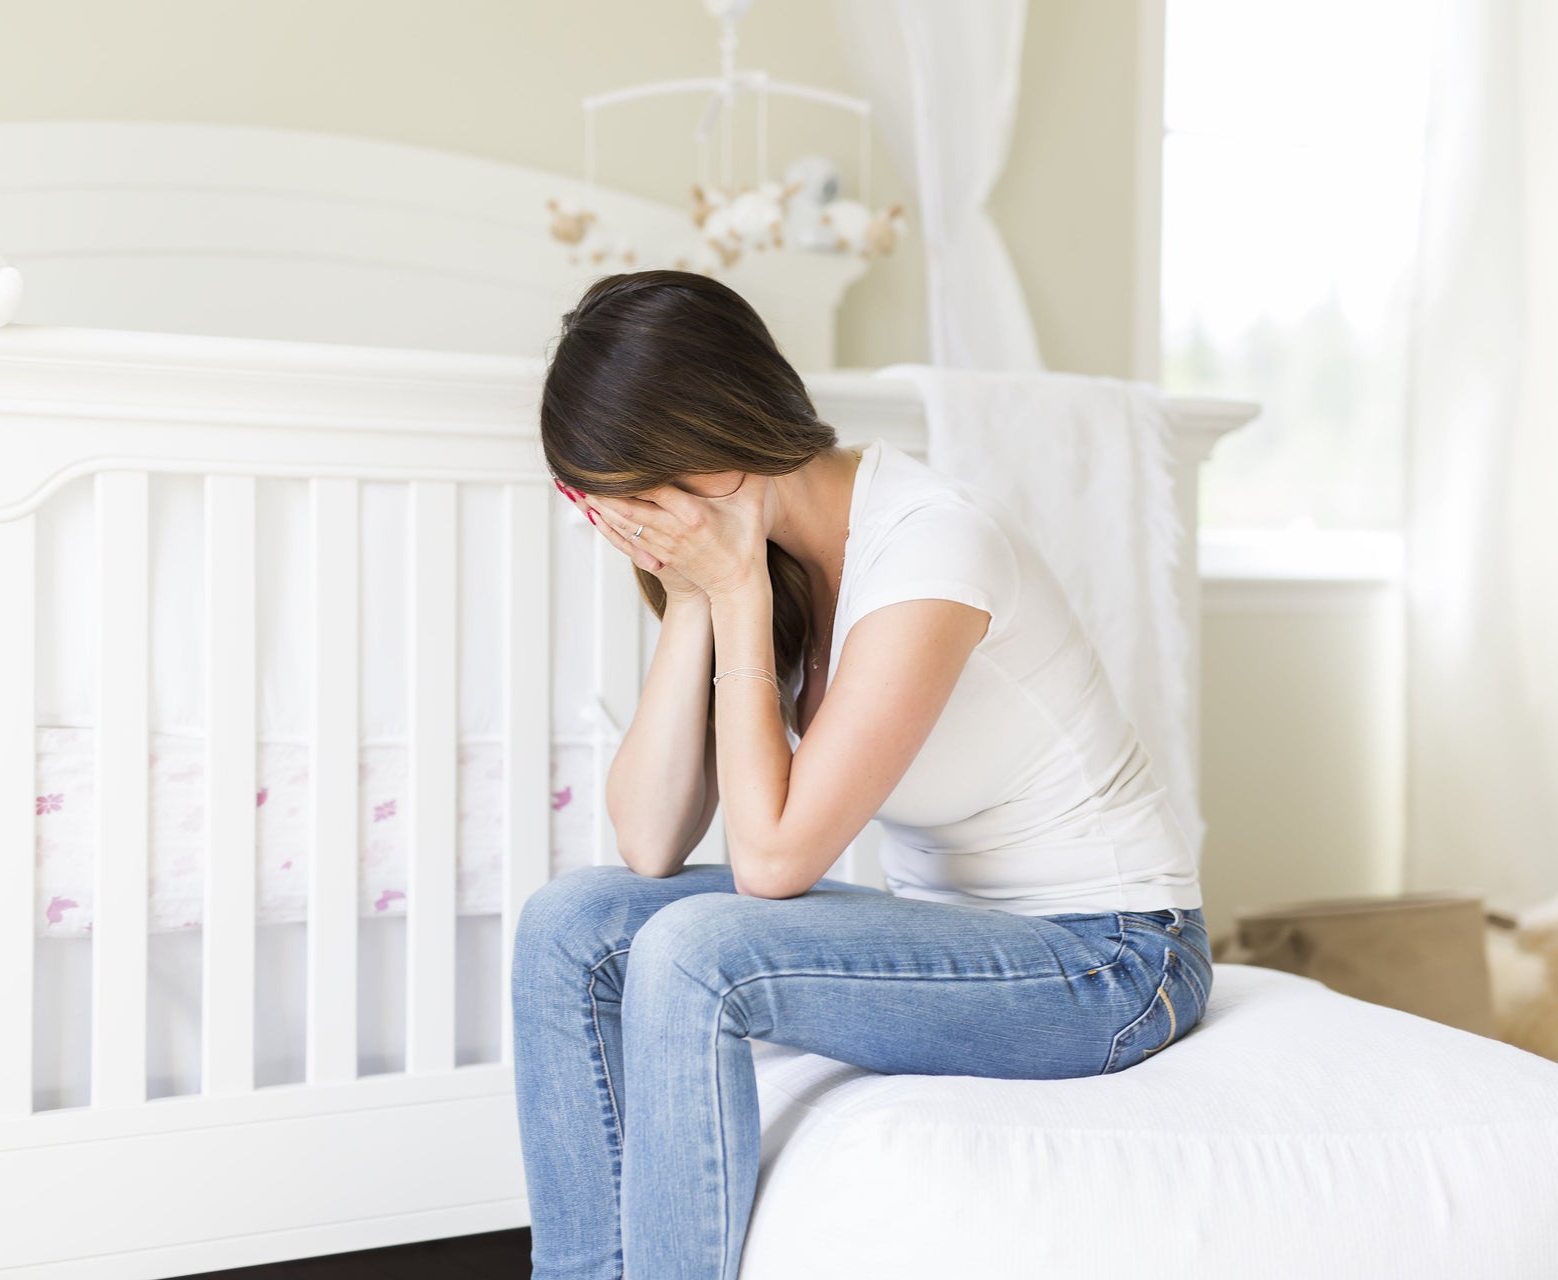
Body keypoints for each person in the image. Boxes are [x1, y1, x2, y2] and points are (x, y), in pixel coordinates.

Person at [514, 268, 1212, 1280]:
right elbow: (649, 837)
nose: (617, 527)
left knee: (695, 951)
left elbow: (774, 860)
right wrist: (700, 595)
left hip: (1114, 960)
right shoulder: (774, 559)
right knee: (568, 922)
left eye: (619, 498)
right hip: (974, 934)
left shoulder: (931, 545)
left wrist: (734, 584)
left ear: (703, 450)